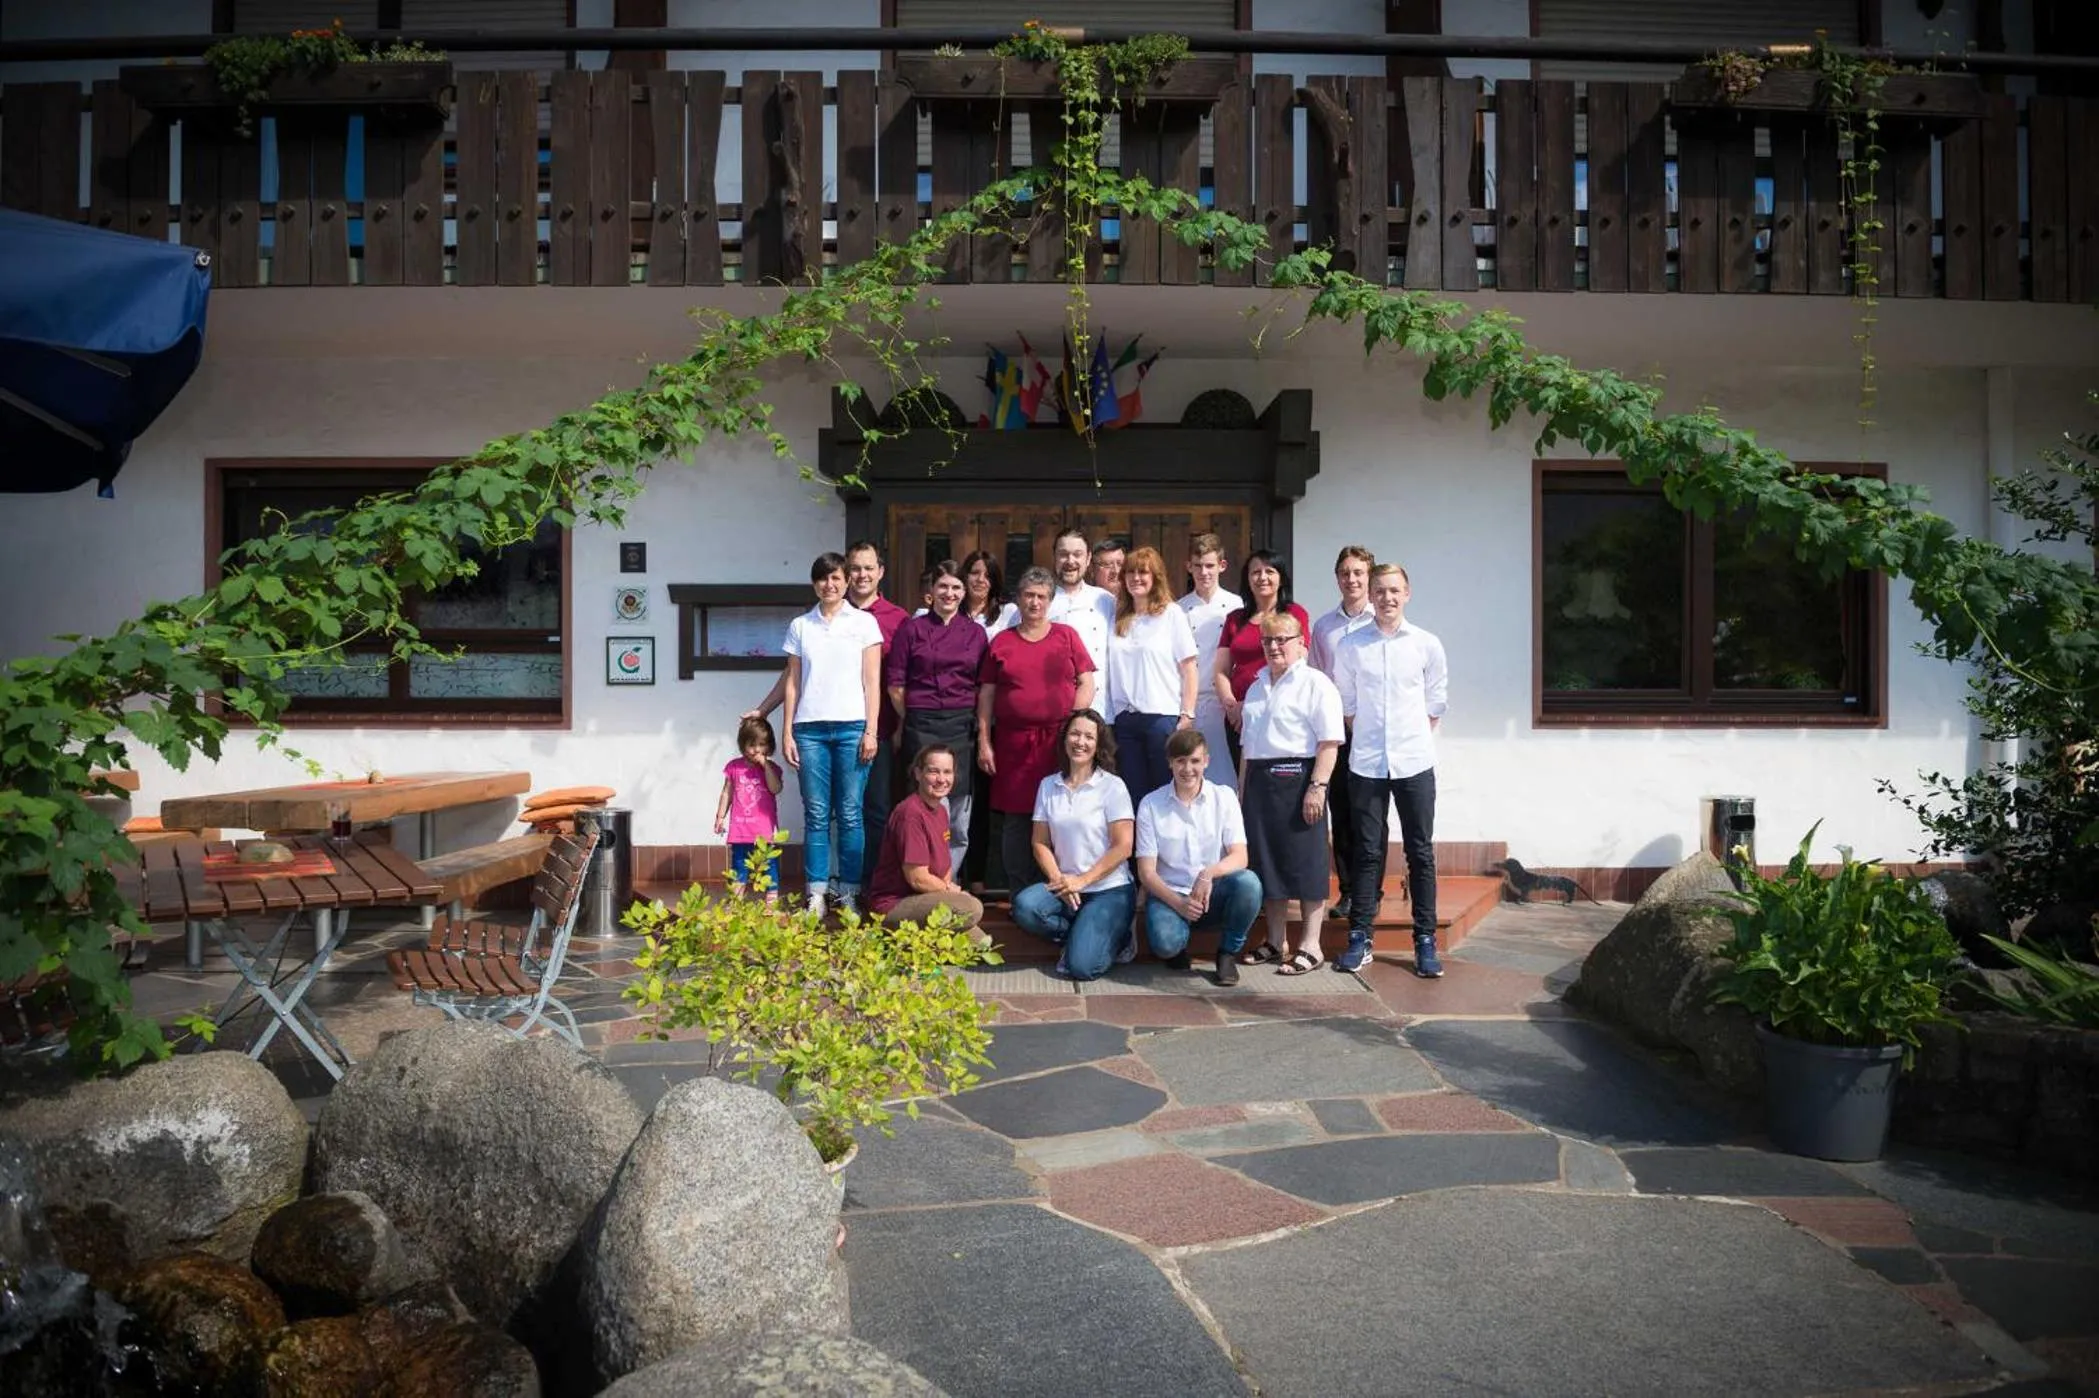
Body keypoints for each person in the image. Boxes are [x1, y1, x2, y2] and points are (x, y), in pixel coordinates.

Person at [1333, 562, 1449, 978]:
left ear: (1407, 593)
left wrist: (1407, 736)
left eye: (1394, 590)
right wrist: (1371, 735)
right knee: (1366, 852)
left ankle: (1425, 940)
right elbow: (1346, 704)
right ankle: (1360, 938)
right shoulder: (1352, 646)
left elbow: (1435, 702)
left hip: (1414, 761)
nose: (1387, 598)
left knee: (1420, 852)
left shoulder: (1426, 644)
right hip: (1367, 763)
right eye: (1380, 591)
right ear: (1371, 595)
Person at [977, 567, 1097, 896]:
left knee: (1059, 814)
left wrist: (1074, 726)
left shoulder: (1066, 636)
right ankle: (1021, 894)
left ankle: (1060, 889)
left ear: (1050, 600)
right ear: (1018, 599)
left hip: (1057, 743)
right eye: (1029, 595)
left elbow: (1087, 682)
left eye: (1041, 596)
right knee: (1017, 821)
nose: (1034, 602)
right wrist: (985, 741)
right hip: (1013, 744)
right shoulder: (1002, 641)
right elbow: (986, 696)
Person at [1237, 612, 1345, 973]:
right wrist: (1242, 793)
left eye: (1282, 639)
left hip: (1299, 779)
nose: (1274, 646)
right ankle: (1275, 940)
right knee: (1267, 862)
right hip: (1259, 782)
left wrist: (1318, 787)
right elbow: (1247, 748)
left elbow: (1329, 742)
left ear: (1302, 643)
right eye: (1267, 640)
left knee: (1306, 862)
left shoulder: (1316, 684)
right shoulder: (1256, 686)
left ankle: (1311, 945)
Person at [780, 551, 883, 918]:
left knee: (851, 814)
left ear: (847, 581)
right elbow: (793, 681)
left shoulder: (865, 623)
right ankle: (817, 894)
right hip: (809, 730)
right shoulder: (801, 626)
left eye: (836, 577)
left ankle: (849, 892)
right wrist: (787, 731)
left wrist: (871, 730)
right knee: (816, 814)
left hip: (852, 727)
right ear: (815, 584)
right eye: (823, 578)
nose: (830, 584)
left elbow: (872, 681)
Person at [1010, 709, 1136, 980]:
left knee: (1082, 968)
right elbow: (1040, 842)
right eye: (1075, 734)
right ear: (1064, 739)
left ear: (1098, 745)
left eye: (1089, 737)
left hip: (1108, 889)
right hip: (1065, 886)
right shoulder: (1048, 785)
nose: (1080, 742)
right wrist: (1060, 880)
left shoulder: (1113, 787)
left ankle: (1120, 938)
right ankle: (1080, 934)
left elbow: (1123, 846)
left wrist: (1082, 880)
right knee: (1024, 907)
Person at [1135, 728, 1262, 985]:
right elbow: (1146, 872)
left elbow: (1240, 856)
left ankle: (1227, 953)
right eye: (1180, 761)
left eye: (1195, 761)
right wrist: (1178, 903)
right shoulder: (1151, 804)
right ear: (1170, 763)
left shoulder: (1224, 797)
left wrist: (1208, 874)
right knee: (1166, 944)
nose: (1188, 769)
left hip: (1212, 892)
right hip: (1170, 894)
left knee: (1249, 883)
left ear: (1206, 761)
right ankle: (1178, 945)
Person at [887, 559, 988, 873]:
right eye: (943, 586)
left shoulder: (976, 633)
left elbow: (983, 685)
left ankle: (948, 881)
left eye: (956, 587)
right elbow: (895, 685)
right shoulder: (911, 629)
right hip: (922, 724)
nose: (949, 593)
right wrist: (913, 717)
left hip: (962, 726)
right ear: (931, 590)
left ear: (964, 592)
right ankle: (920, 878)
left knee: (957, 814)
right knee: (924, 806)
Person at [1310, 545, 1377, 922]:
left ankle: (1372, 892)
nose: (1351, 579)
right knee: (1342, 811)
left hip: (1373, 731)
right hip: (1338, 732)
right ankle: (1350, 891)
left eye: (1358, 573)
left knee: (1371, 814)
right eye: (1345, 573)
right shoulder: (1324, 627)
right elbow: (1318, 680)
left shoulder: (1381, 620)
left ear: (1369, 576)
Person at [866, 744, 990, 942]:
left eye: (947, 772)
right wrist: (951, 892)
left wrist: (948, 889)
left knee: (982, 943)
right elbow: (917, 878)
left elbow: (944, 868)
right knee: (971, 908)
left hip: (928, 898)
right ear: (918, 774)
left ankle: (926, 943)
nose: (941, 779)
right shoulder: (910, 814)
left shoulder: (941, 811)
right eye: (933, 771)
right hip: (895, 904)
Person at [1103, 545, 1199, 802]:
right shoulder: (1118, 617)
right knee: (1133, 796)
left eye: (1143, 572)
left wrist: (1187, 714)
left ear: (1155, 577)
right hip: (1126, 720)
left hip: (1161, 718)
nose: (1136, 578)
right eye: (1130, 572)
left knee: (1165, 794)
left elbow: (1189, 668)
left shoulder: (1171, 614)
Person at [845, 541, 911, 886]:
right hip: (837, 726)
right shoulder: (832, 612)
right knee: (841, 810)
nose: (862, 575)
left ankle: (873, 882)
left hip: (881, 729)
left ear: (881, 572)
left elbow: (903, 677)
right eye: (855, 568)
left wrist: (900, 725)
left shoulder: (898, 619)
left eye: (868, 568)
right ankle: (843, 881)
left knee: (877, 808)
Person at [1213, 549, 1312, 769]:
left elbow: (1298, 663)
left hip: (1280, 713)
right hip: (1238, 718)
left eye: (1270, 571)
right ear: (1247, 579)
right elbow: (1221, 670)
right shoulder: (1235, 619)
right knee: (1244, 780)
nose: (1262, 577)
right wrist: (1232, 707)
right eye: (1256, 572)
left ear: (1281, 578)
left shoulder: (1295, 614)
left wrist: (1255, 704)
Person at [1178, 532, 1242, 790]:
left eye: (1209, 565)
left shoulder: (1236, 605)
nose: (1204, 572)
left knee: (1226, 776)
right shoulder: (1179, 609)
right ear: (1189, 567)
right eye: (1198, 566)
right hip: (1191, 702)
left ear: (1221, 566)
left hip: (1224, 702)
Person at [714, 715, 785, 901]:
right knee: (739, 865)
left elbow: (775, 788)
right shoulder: (734, 768)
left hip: (764, 830)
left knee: (769, 864)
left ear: (769, 745)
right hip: (741, 829)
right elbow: (727, 793)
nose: (757, 750)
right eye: (752, 745)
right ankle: (737, 901)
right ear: (742, 744)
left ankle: (771, 900)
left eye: (762, 745)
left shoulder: (772, 768)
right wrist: (720, 816)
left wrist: (765, 766)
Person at [1046, 527, 1115, 673]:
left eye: (1077, 554)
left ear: (1088, 559)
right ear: (1054, 557)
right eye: (1063, 554)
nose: (1070, 561)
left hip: (1099, 687)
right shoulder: (1039, 602)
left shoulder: (1106, 600)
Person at [961, 548, 1021, 635]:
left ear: (994, 581)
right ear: (965, 576)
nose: (980, 579)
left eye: (987, 575)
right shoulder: (953, 612)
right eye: (975, 573)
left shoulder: (1008, 611)